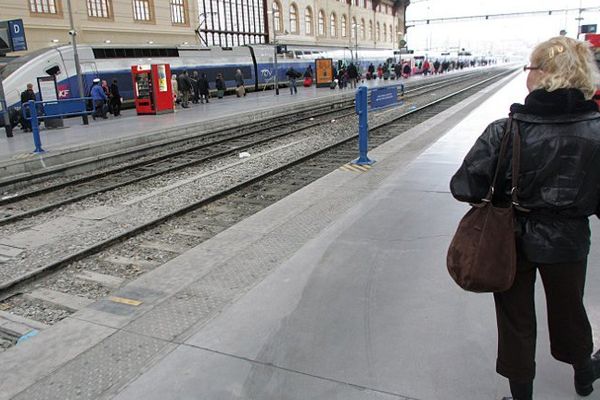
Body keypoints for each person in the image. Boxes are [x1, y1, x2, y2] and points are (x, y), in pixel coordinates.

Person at [449, 36, 600, 400]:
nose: (526, 75)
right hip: (569, 240)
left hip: (511, 239)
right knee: (570, 310)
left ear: (546, 74)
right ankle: (584, 375)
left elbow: (464, 186)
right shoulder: (596, 129)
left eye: (530, 67)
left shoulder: (506, 129)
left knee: (516, 321)